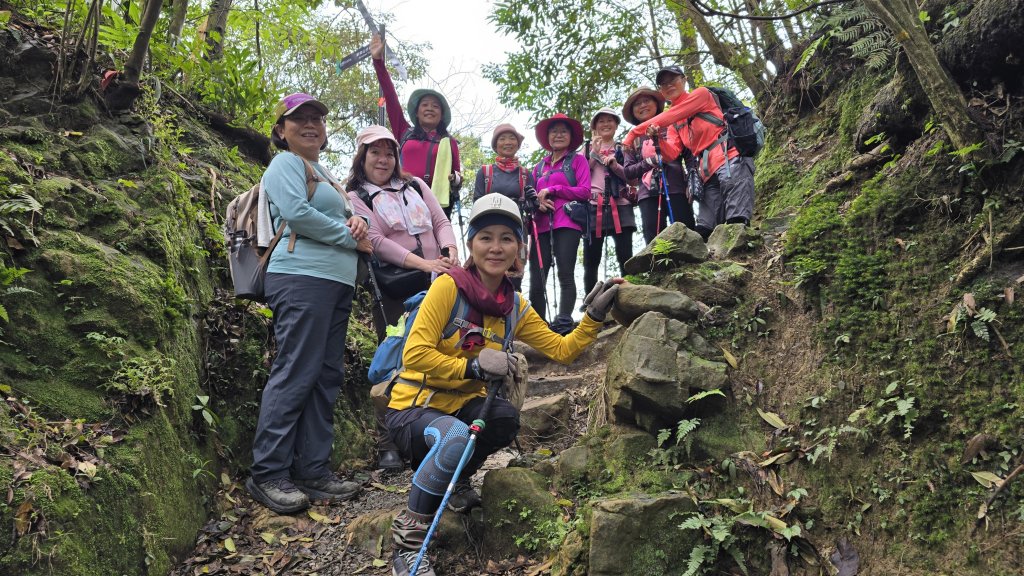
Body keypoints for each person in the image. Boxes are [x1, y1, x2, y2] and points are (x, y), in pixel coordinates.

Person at [384, 193, 620, 576]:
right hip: (413, 408)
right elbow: (415, 355)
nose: (496, 247)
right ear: (472, 243)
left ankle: (454, 479)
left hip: (461, 408)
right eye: (486, 237)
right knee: (455, 437)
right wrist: (474, 367)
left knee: (505, 419)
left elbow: (562, 350)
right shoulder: (448, 289)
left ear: (518, 249)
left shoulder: (516, 307)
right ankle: (408, 542)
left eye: (506, 238)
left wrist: (592, 317)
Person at [246, 93, 369, 514]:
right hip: (300, 277)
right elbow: (296, 214)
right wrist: (348, 234)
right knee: (297, 369)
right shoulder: (284, 164)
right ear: (282, 130)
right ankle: (268, 473)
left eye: (317, 118)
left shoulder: (327, 174)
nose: (311, 124)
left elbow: (351, 217)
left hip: (336, 282)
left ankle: (313, 469)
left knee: (325, 375)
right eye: (300, 119)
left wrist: (359, 221)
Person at [346, 124, 459, 472]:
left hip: (436, 280)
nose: (382, 159)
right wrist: (424, 263)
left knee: (440, 350)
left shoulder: (414, 185)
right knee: (394, 358)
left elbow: (440, 220)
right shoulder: (355, 196)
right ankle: (388, 443)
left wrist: (450, 250)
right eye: (374, 152)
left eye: (388, 152)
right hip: (394, 287)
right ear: (362, 157)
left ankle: (436, 428)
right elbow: (377, 240)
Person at [623, 65, 756, 241]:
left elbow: (673, 114)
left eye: (673, 79)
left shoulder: (700, 95)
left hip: (729, 158)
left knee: (736, 218)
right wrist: (659, 139)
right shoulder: (673, 122)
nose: (669, 85)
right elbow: (671, 153)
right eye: (663, 84)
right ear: (661, 91)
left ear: (684, 80)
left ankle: (742, 255)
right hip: (707, 172)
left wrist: (633, 133)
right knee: (704, 227)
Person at [370, 33, 462, 219]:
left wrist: (456, 179)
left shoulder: (448, 142)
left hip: (436, 205)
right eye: (425, 105)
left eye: (435, 106)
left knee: (434, 247)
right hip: (400, 197)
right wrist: (378, 61)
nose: (430, 109)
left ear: (441, 114)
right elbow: (390, 96)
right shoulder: (404, 131)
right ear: (417, 112)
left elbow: (457, 175)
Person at [528, 113, 591, 333]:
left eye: (563, 131)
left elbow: (585, 191)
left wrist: (554, 190)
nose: (558, 135)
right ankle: (537, 327)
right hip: (541, 225)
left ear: (570, 136)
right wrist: (538, 202)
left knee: (565, 273)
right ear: (547, 137)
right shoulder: (538, 167)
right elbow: (531, 196)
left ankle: (563, 322)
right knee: (537, 278)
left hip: (568, 223)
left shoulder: (577, 160)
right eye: (554, 131)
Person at [621, 84, 695, 244]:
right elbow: (628, 172)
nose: (643, 106)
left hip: (677, 187)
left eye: (646, 101)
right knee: (654, 238)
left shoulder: (672, 126)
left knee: (686, 231)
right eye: (637, 104)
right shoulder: (631, 139)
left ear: (656, 103)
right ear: (633, 111)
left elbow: (688, 154)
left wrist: (692, 180)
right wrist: (650, 162)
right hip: (647, 193)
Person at [473, 123, 538, 290]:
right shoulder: (485, 172)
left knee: (517, 269)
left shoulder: (525, 174)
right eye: (502, 139)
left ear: (517, 144)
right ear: (496, 145)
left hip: (518, 227)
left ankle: (513, 306)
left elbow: (532, 207)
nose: (507, 142)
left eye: (512, 138)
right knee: (489, 268)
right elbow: (477, 202)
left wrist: (532, 202)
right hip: (490, 225)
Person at [583, 108, 636, 295]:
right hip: (592, 206)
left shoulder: (624, 147)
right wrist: (594, 154)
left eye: (609, 120)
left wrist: (615, 164)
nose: (605, 124)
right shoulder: (587, 148)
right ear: (595, 126)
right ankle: (590, 304)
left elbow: (632, 178)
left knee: (625, 256)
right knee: (591, 260)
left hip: (620, 204)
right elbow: (581, 177)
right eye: (601, 121)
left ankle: (631, 296)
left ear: (616, 124)